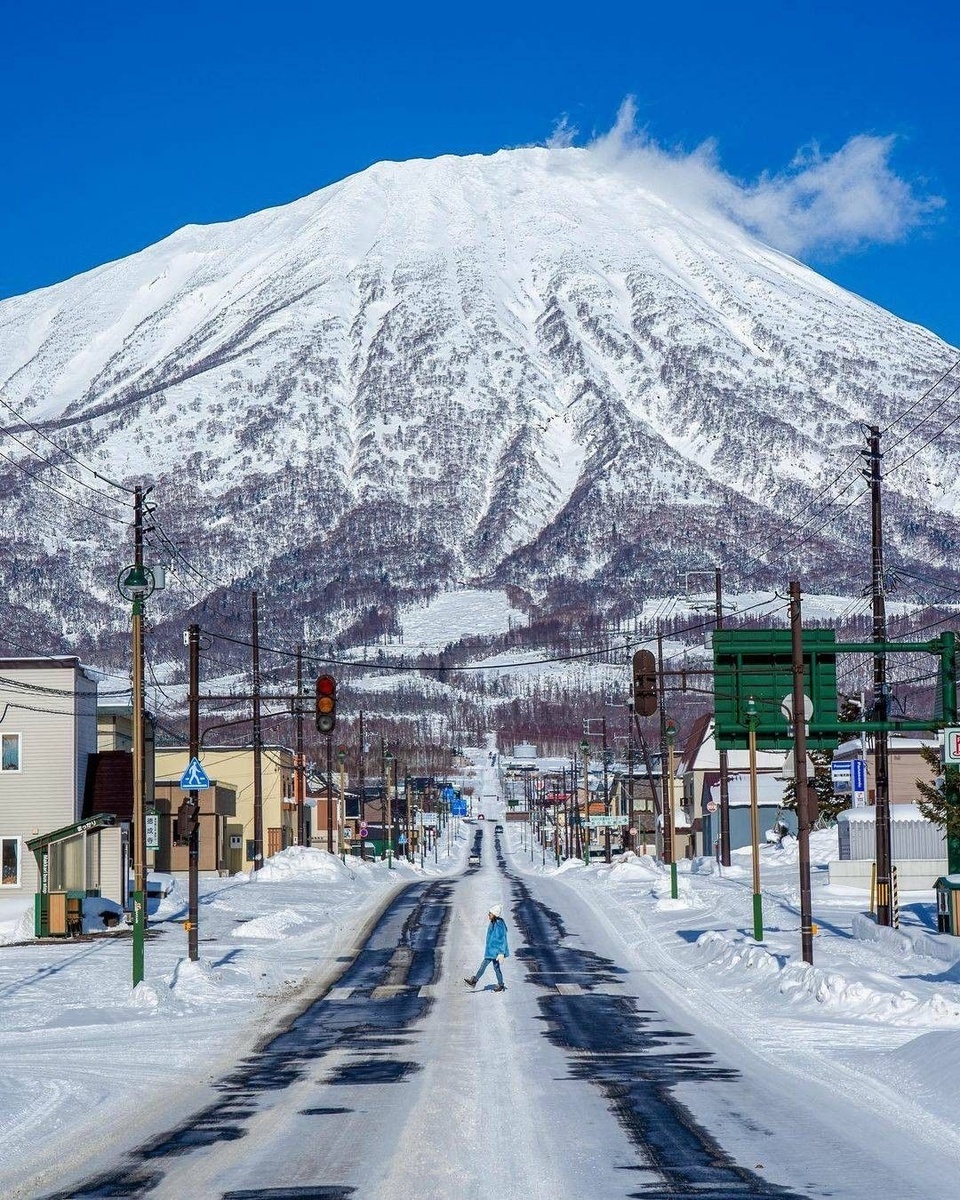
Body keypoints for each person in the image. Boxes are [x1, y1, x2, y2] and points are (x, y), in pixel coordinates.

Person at [464, 903, 509, 991]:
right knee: (495, 968)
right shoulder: (494, 922)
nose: (488, 915)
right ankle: (500, 984)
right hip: (492, 951)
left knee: (486, 966)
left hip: (495, 952)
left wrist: (501, 952)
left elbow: (502, 939)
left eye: (490, 913)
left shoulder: (499, 924)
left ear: (495, 914)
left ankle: (474, 981)